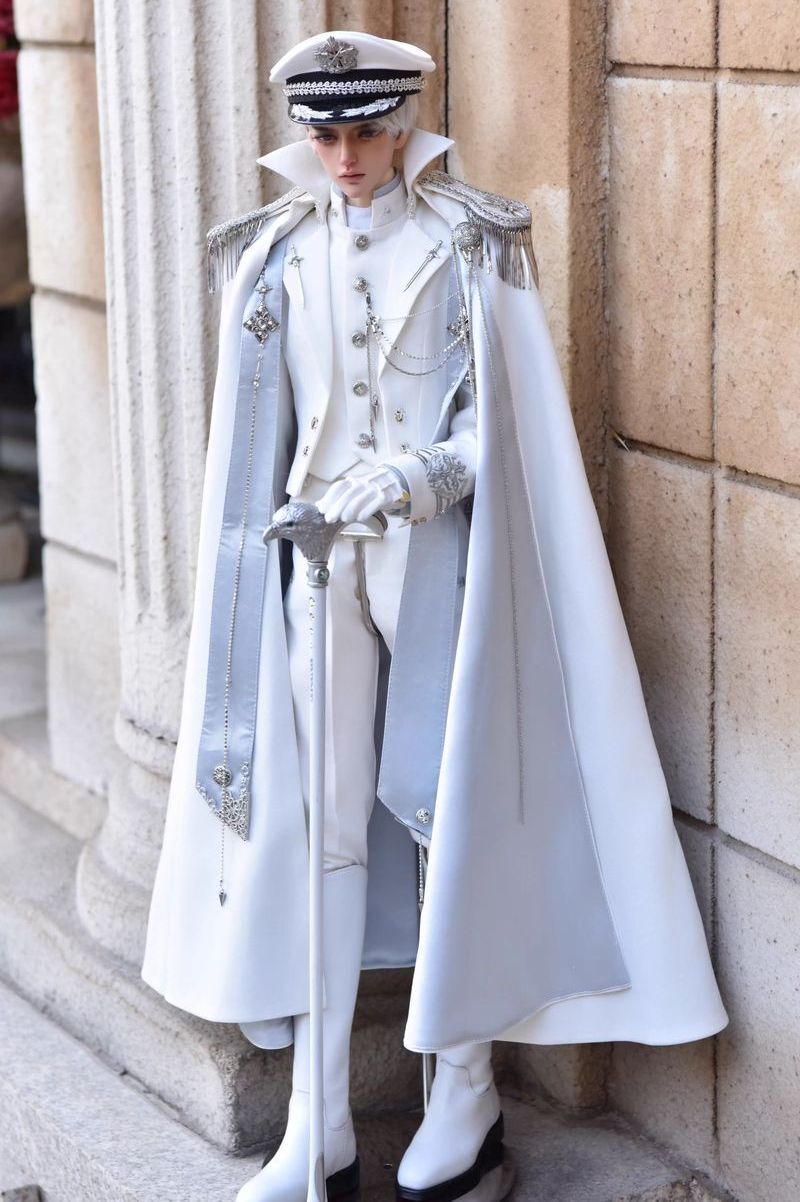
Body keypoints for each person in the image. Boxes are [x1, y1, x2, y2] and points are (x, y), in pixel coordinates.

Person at [140, 29, 729, 1202]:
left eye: (364, 131)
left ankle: (464, 1096)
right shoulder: (269, 256)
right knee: (317, 822)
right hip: (317, 569)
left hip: (439, 566)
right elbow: (254, 437)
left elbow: (506, 432)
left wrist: (412, 478)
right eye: (325, 134)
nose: (344, 156)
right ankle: (316, 1122)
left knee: (441, 809)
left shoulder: (467, 246)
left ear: (403, 124)